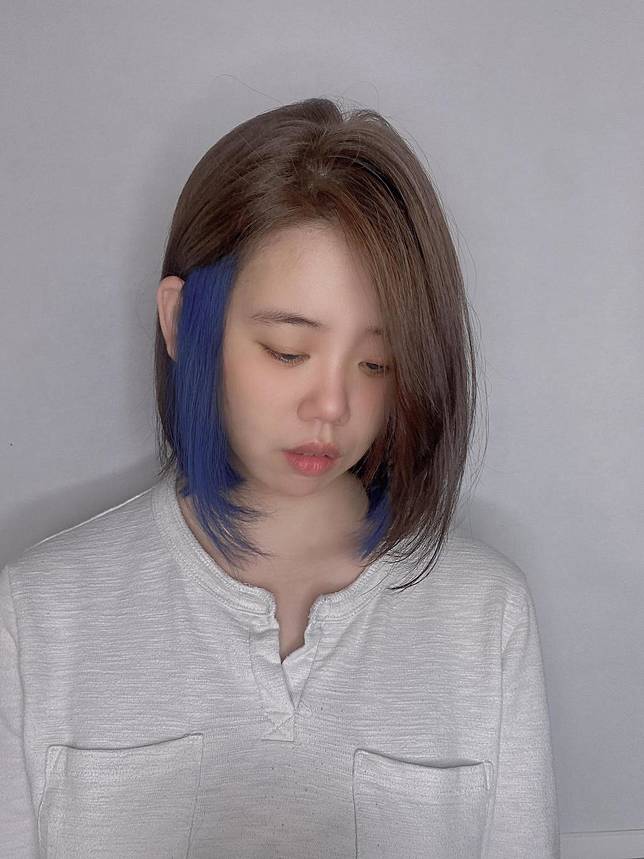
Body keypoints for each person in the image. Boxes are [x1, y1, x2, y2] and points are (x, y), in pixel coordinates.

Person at [0, 97, 560, 857]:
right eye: (288, 352)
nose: (332, 405)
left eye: (376, 363)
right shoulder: (41, 614)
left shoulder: (484, 616)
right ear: (181, 322)